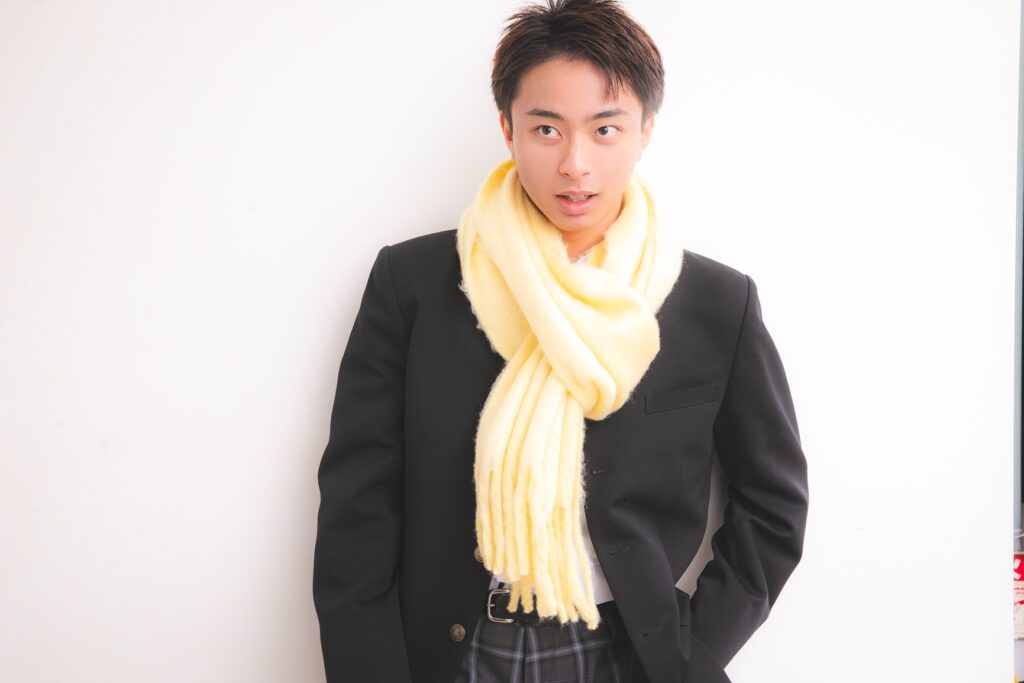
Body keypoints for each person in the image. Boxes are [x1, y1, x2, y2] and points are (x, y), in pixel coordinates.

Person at [312, 1, 809, 681]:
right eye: (547, 128)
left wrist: (689, 656)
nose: (576, 164)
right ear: (508, 129)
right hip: (453, 651)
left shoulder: (716, 303)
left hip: (625, 653)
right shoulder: (415, 284)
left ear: (645, 130)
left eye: (605, 129)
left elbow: (773, 504)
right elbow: (357, 506)